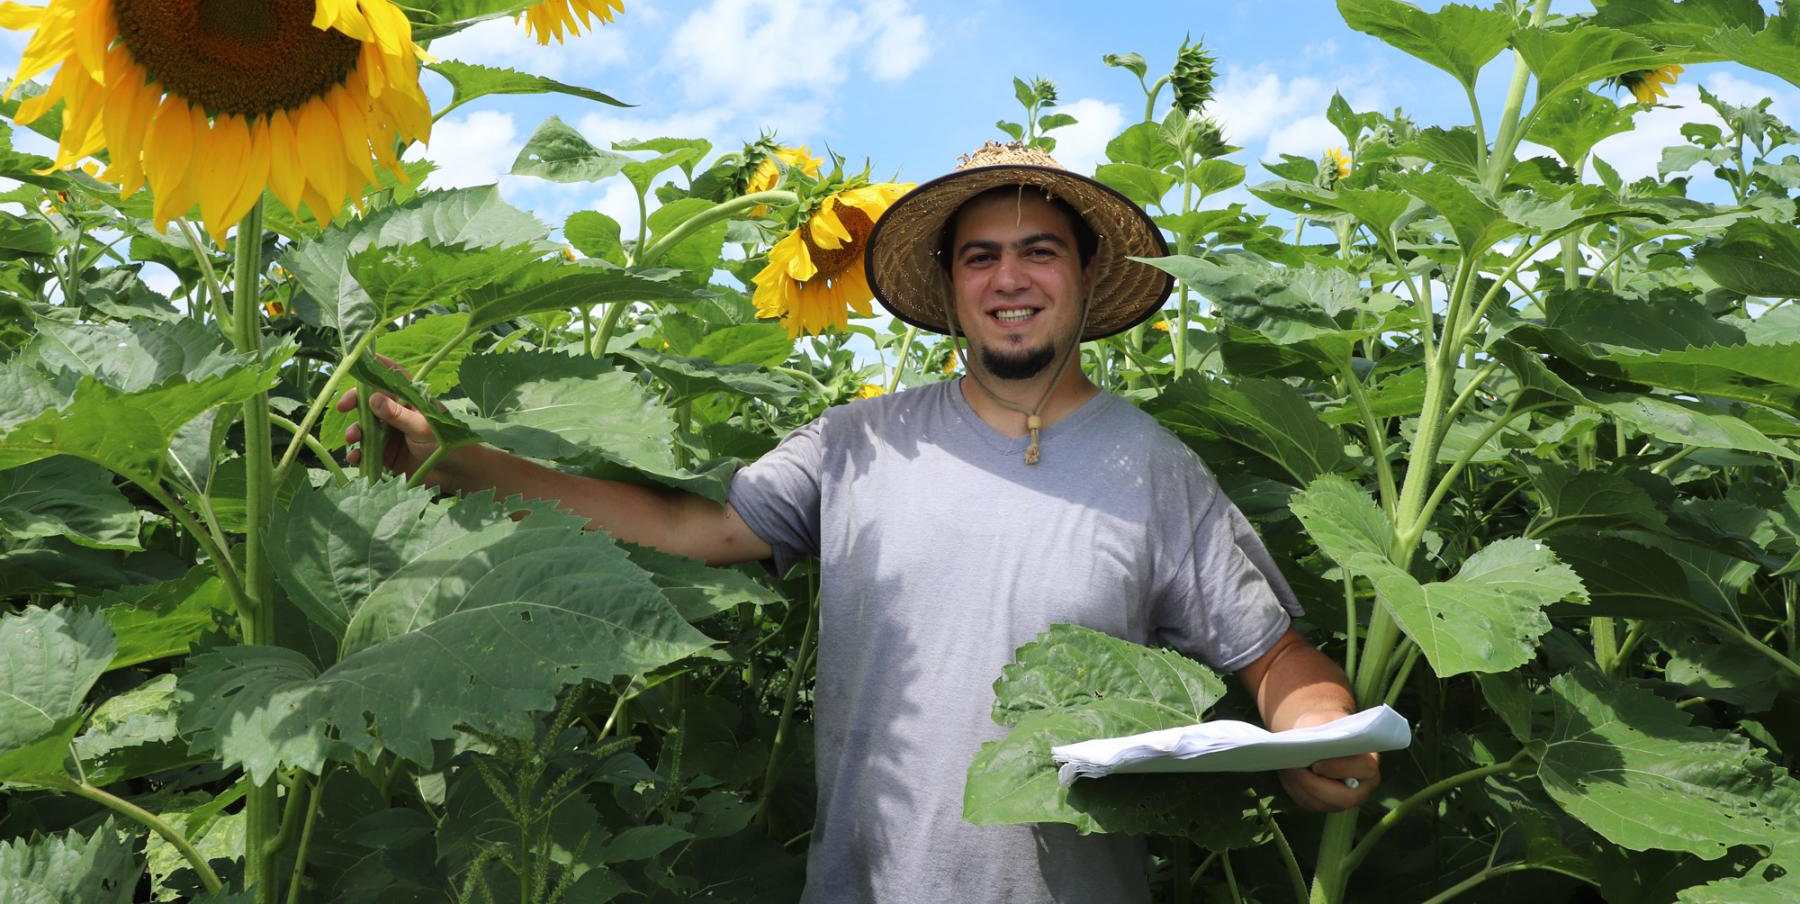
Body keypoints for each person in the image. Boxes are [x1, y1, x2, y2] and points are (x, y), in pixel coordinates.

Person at [341, 141, 1379, 904]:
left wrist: (1317, 728)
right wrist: (459, 461)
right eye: (980, 258)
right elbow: (699, 529)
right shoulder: (859, 442)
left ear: (1086, 277)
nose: (1009, 280)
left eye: (1038, 253)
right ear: (949, 287)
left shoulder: (1154, 466)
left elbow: (1275, 652)